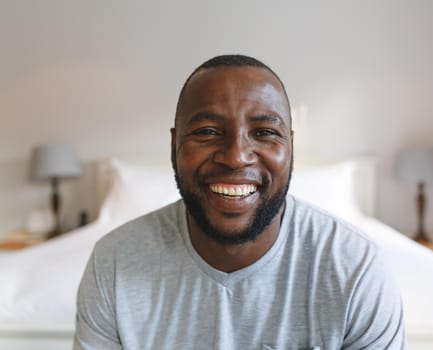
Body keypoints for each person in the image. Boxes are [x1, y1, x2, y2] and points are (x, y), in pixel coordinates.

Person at [74, 54, 405, 349]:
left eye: (264, 133)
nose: (235, 157)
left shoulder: (355, 267)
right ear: (174, 145)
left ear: (290, 148)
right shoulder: (114, 263)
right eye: (207, 131)